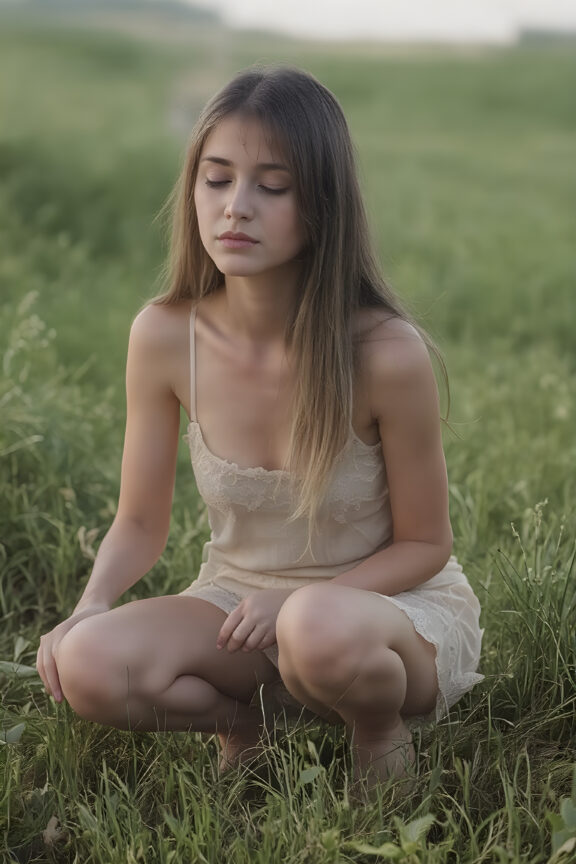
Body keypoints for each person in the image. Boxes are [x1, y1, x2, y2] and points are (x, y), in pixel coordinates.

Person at [36, 66, 484, 796]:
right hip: (237, 605)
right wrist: (88, 609)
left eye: (271, 186)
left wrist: (300, 604)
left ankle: (377, 731)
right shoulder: (163, 335)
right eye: (216, 180)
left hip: (387, 619)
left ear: (323, 203)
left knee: (314, 625)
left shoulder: (386, 352)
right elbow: (141, 521)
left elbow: (427, 544)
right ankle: (246, 723)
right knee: (87, 662)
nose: (235, 208)